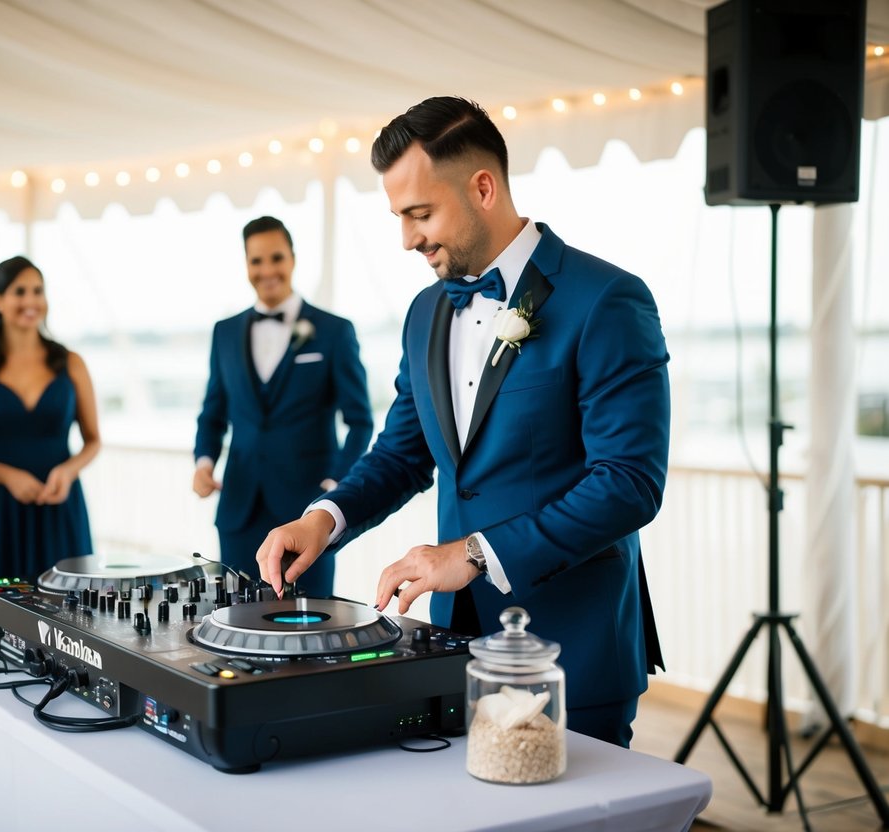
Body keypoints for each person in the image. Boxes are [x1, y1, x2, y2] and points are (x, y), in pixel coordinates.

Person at [257, 97, 670, 748]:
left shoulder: (607, 300)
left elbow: (628, 484)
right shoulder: (426, 313)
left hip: (574, 648)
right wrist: (323, 519)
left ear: (482, 187)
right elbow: (401, 452)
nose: (407, 238)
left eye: (419, 214)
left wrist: (476, 553)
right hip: (458, 644)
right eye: (398, 217)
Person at [193, 216, 373, 596]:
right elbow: (213, 413)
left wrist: (332, 486)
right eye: (256, 261)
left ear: (292, 259)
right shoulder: (224, 332)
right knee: (235, 619)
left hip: (306, 511)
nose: (267, 270)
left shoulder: (334, 331)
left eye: (276, 258)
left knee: (309, 623)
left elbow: (359, 420)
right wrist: (204, 463)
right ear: (246, 265)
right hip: (239, 509)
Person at [0, 255, 100, 615]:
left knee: (68, 616)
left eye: (38, 291)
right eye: (20, 291)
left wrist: (68, 470)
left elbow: (93, 440)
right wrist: (6, 475)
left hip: (58, 507)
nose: (31, 301)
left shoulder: (70, 363)